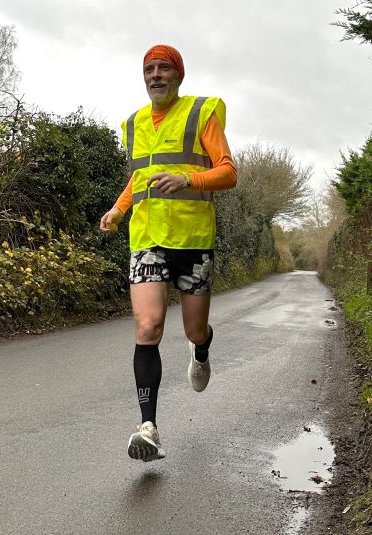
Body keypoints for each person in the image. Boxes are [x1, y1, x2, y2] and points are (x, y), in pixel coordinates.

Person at [99, 44, 237, 462]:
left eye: (164, 69)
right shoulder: (134, 123)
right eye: (149, 69)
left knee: (195, 329)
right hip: (148, 238)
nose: (155, 75)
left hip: (193, 240)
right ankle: (148, 427)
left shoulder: (201, 112)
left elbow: (228, 172)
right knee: (148, 326)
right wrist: (119, 209)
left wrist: (187, 180)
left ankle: (202, 350)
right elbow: (138, 178)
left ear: (178, 75)